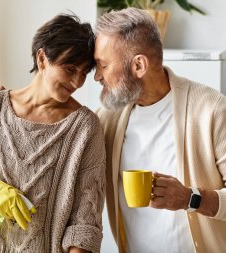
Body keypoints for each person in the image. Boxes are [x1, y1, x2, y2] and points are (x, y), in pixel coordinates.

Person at [0, 14, 106, 253]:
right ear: (42, 58)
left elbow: (85, 221)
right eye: (69, 68)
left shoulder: (85, 127)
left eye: (84, 72)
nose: (77, 82)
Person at [94, 7, 226, 253]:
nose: (97, 77)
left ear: (139, 65)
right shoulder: (106, 120)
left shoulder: (212, 110)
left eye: (103, 65)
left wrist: (190, 198)